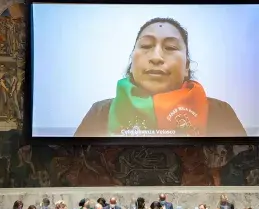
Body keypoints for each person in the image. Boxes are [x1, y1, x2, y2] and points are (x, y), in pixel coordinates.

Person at [74, 17, 246, 138]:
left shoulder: (219, 112)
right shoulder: (100, 113)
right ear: (132, 62)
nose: (156, 57)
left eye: (170, 47)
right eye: (146, 45)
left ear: (186, 66)